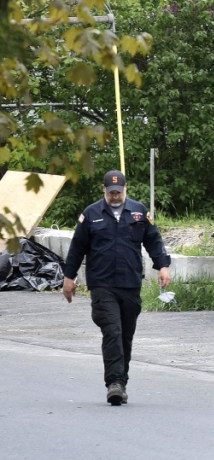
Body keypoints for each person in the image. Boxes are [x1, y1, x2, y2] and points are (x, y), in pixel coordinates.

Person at [62, 170, 172, 406]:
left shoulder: (139, 212)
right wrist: (68, 277)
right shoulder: (91, 214)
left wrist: (163, 266)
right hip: (102, 284)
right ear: (104, 190)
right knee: (112, 330)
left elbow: (154, 240)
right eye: (111, 192)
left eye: (118, 192)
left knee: (125, 335)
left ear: (126, 189)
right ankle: (114, 383)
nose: (115, 196)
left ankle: (121, 381)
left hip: (130, 284)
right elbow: (77, 247)